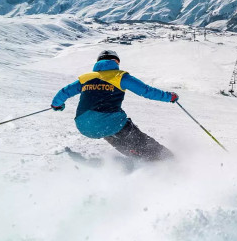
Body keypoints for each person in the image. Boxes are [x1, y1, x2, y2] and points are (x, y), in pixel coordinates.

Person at [50, 50, 178, 161]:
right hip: (109, 123)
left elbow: (64, 92)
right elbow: (146, 91)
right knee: (128, 132)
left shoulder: (85, 78)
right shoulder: (120, 77)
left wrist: (57, 105)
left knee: (110, 129)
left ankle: (134, 154)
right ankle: (166, 159)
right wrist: (170, 96)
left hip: (84, 125)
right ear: (115, 61)